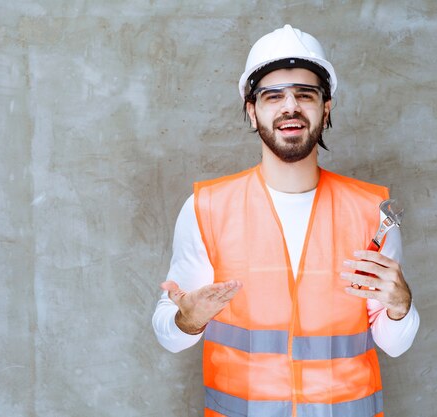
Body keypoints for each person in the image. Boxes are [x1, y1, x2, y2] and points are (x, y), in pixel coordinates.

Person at [152, 24, 420, 417]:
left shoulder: (371, 212)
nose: (289, 107)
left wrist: (400, 306)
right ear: (252, 110)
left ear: (326, 108)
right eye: (272, 96)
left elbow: (394, 343)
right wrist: (186, 320)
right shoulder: (206, 207)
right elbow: (170, 335)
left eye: (305, 95)